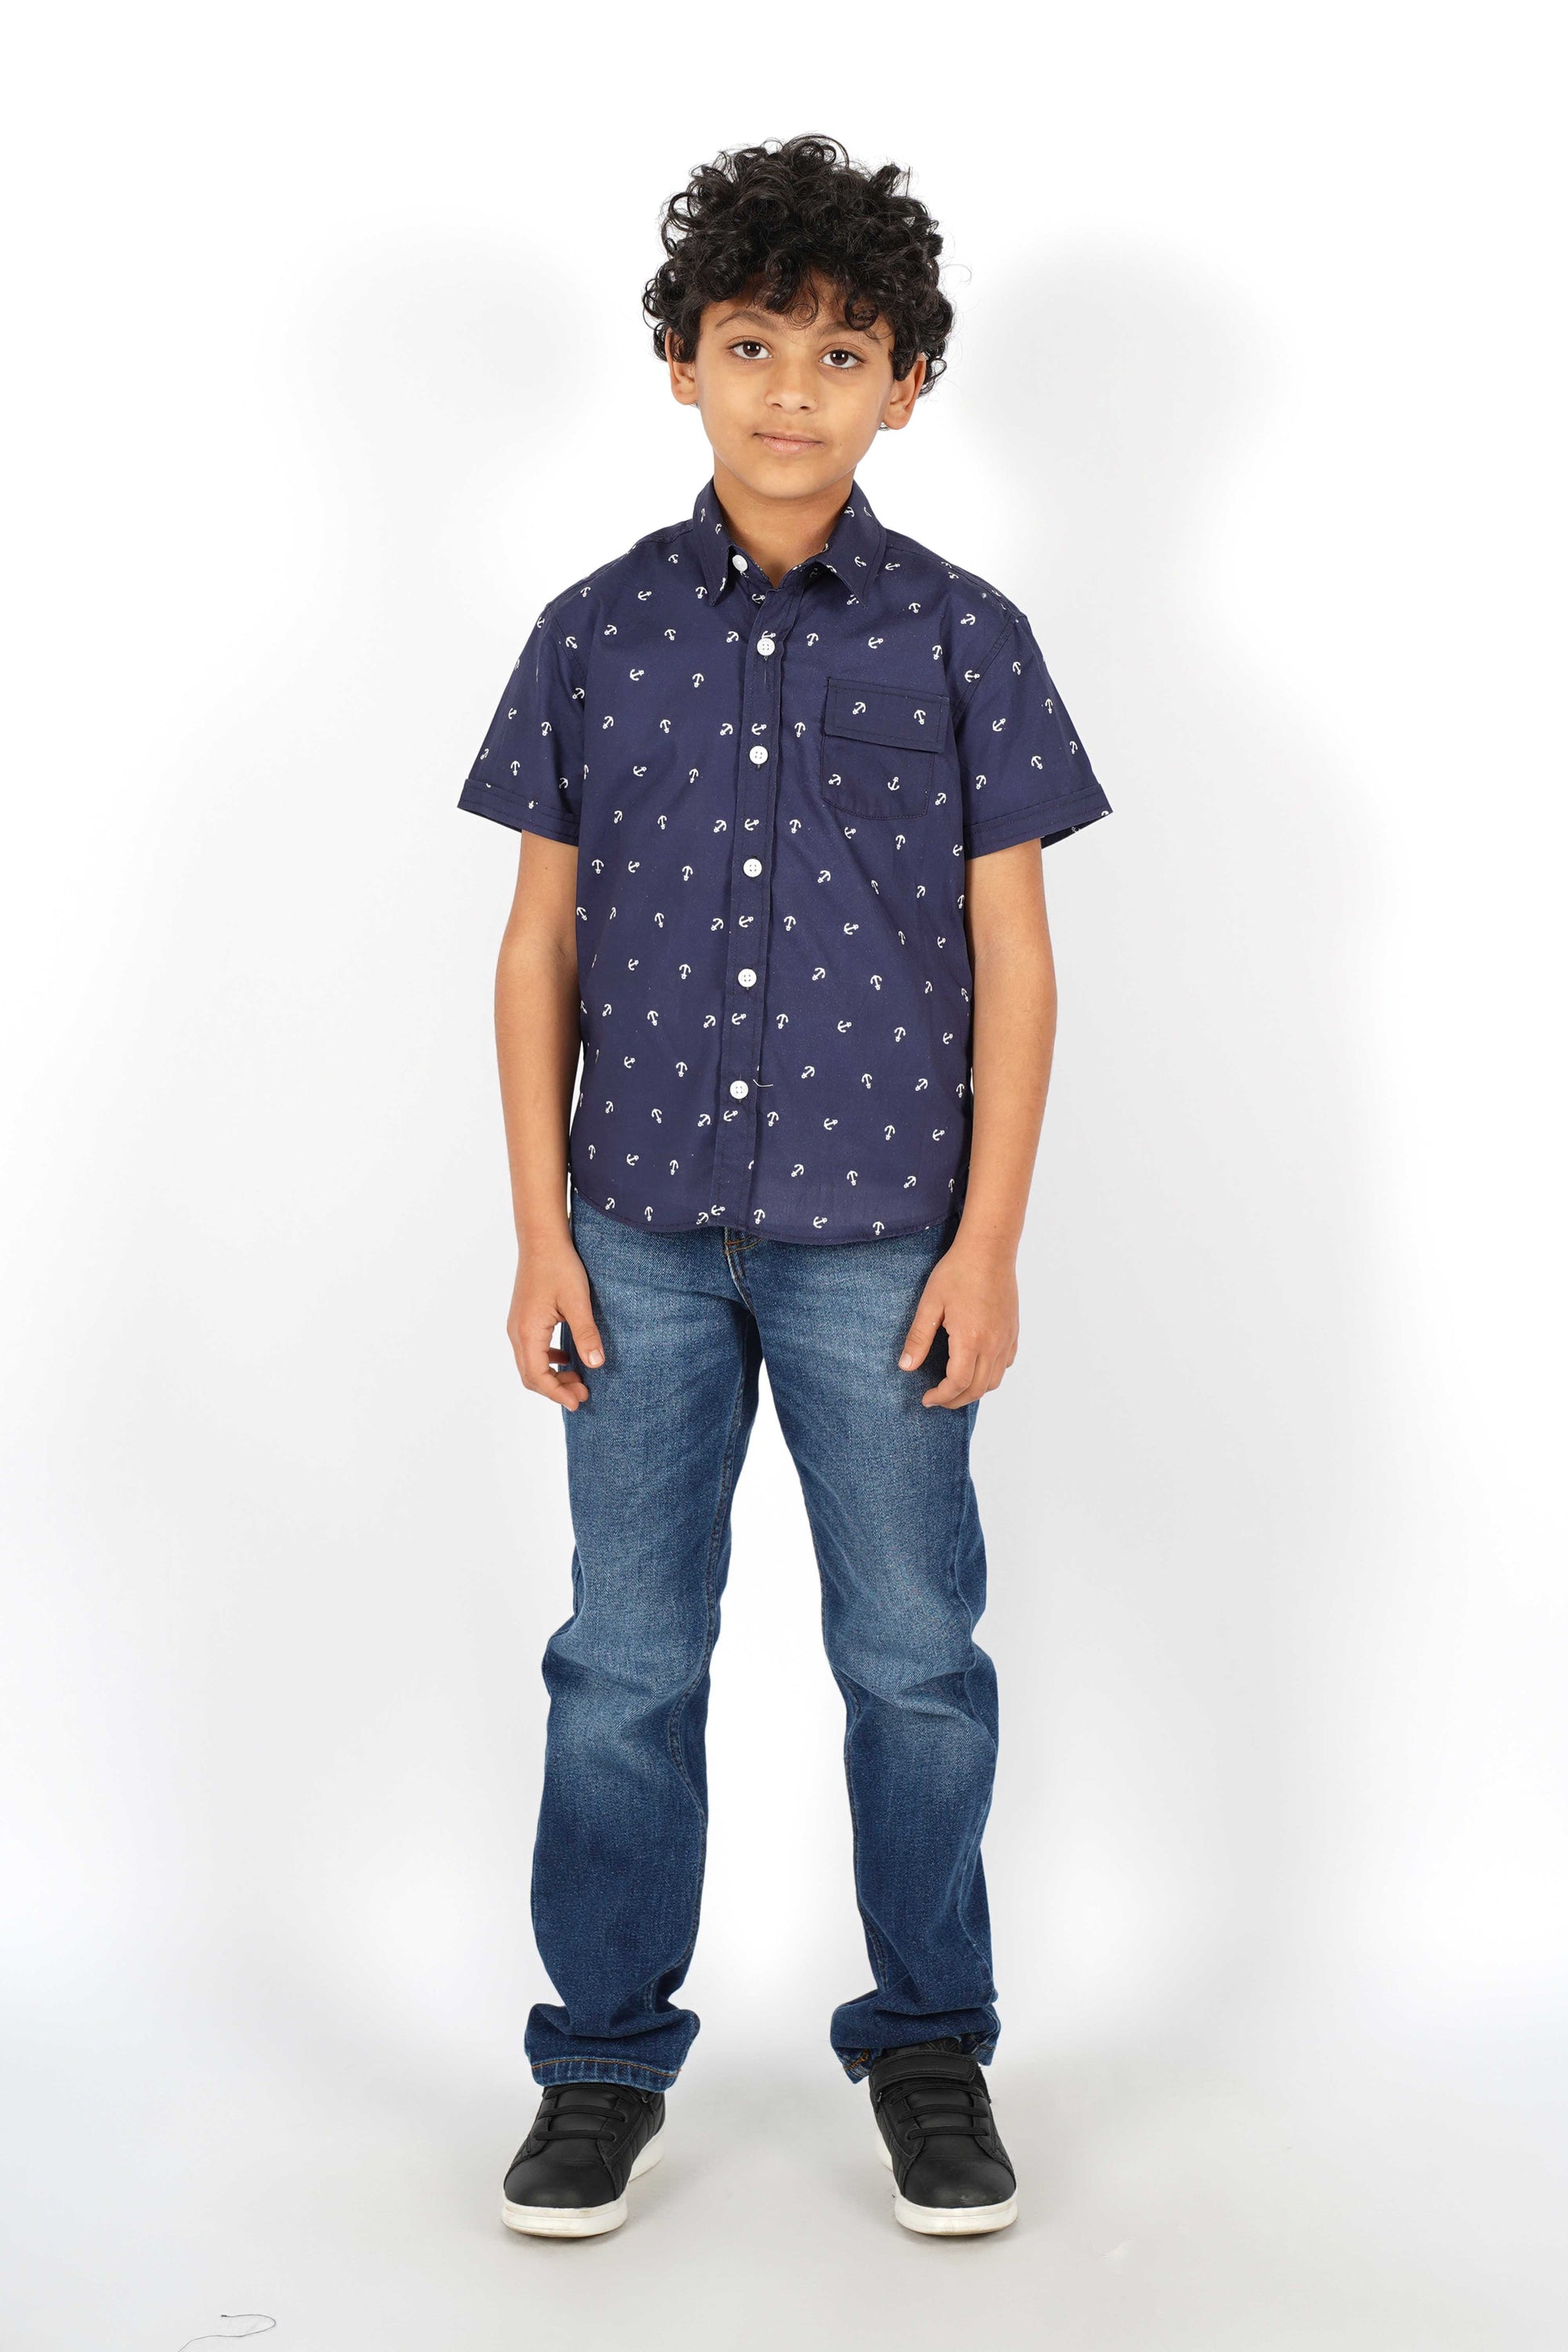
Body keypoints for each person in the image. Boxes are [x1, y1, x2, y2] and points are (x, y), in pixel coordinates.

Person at [457, 133, 1110, 2240]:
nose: (792, 391)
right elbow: (538, 945)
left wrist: (987, 1242)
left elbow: (1015, 953)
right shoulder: (592, 634)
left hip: (885, 1247)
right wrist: (541, 1232)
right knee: (623, 1661)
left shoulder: (962, 637)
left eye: (842, 354)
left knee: (913, 1658)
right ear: (680, 363)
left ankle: (929, 2046)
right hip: (634, 1234)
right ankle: (596, 2065)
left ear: (906, 385)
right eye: (752, 344)